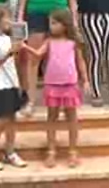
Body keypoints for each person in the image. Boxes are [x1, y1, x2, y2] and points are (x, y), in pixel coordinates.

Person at [17, 0, 77, 117]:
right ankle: (31, 101)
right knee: (34, 57)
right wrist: (20, 15)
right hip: (36, 11)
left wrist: (74, 16)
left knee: (58, 59)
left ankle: (58, 101)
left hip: (59, 12)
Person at [22, 9, 89, 168]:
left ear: (64, 24)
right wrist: (25, 47)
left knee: (72, 118)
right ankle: (51, 150)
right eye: (50, 23)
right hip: (52, 84)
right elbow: (38, 55)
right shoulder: (49, 42)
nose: (51, 26)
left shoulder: (74, 43)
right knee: (51, 118)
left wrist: (85, 80)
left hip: (70, 84)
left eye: (54, 23)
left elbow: (81, 62)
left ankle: (73, 151)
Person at [0, 5, 27, 171]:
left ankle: (10, 151)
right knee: (1, 120)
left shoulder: (7, 39)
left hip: (11, 84)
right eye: (6, 17)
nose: (9, 21)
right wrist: (10, 52)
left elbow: (11, 64)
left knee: (12, 119)